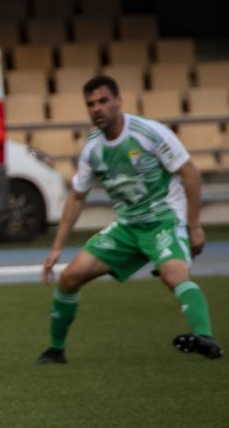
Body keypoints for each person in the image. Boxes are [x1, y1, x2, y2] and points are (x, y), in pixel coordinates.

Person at [38, 73, 218, 363]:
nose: (97, 108)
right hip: (127, 227)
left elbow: (190, 173)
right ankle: (55, 350)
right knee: (70, 277)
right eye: (91, 104)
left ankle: (205, 338)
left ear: (118, 101)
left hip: (163, 219)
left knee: (174, 276)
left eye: (103, 101)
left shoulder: (149, 132)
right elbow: (77, 196)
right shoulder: (92, 148)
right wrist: (56, 247)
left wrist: (194, 226)